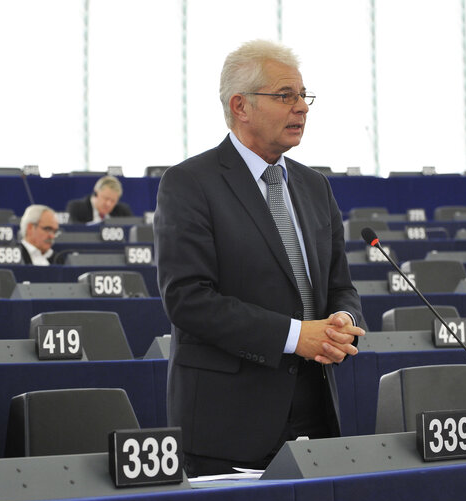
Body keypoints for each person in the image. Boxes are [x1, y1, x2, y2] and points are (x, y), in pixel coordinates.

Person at [154, 40, 365, 477]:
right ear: (241, 106)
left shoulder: (315, 186)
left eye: (304, 96)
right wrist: (294, 336)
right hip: (229, 420)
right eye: (285, 95)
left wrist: (342, 320)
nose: (302, 107)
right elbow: (188, 300)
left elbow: (339, 284)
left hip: (318, 409)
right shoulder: (189, 183)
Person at [66, 175, 133, 223]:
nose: (108, 204)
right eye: (106, 198)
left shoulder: (123, 212)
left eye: (113, 201)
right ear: (96, 193)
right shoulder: (76, 208)